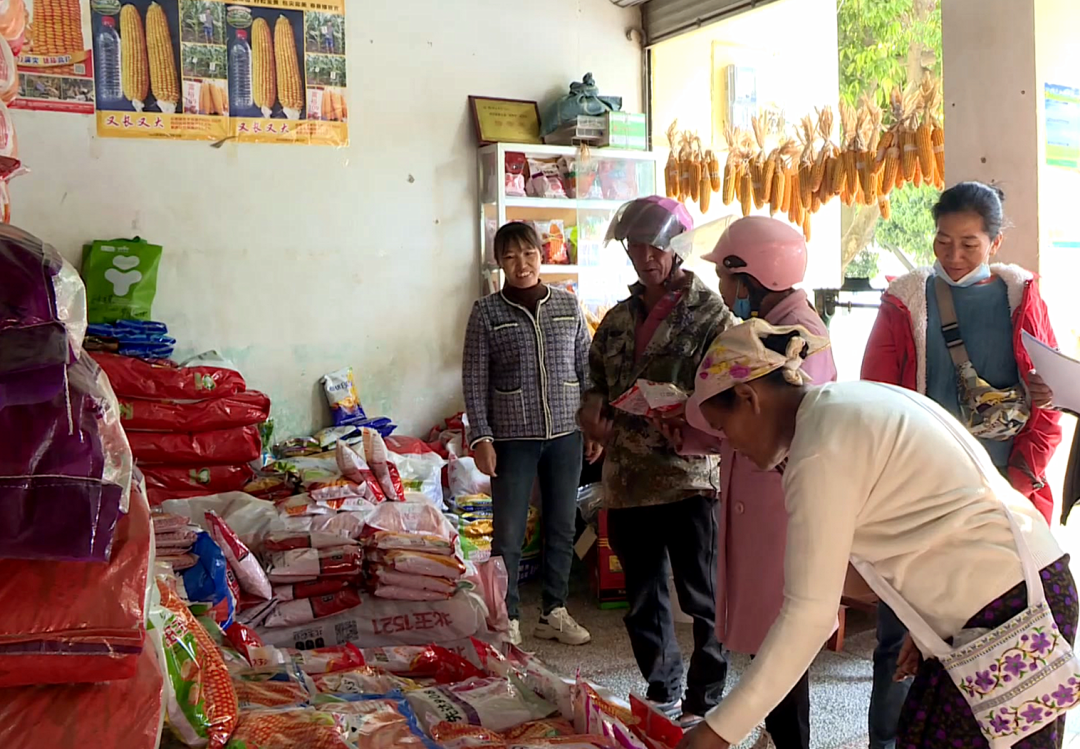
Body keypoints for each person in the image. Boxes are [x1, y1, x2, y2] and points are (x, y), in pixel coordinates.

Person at [675, 319, 1076, 749]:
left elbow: (809, 616)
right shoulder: (844, 405)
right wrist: (924, 627)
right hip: (1018, 589)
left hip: (1008, 609)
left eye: (723, 429)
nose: (730, 445)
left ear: (748, 398)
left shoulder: (819, 446)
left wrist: (719, 730)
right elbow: (927, 522)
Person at [860, 181, 1062, 749]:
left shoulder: (1022, 301)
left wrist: (1017, 484)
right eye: (943, 242)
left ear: (995, 243)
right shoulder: (905, 302)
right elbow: (875, 401)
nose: (952, 256)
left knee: (998, 633)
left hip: (1004, 501)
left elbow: (1045, 409)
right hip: (919, 499)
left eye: (968, 245)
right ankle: (888, 741)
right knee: (901, 633)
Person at [675, 216, 836, 749]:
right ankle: (777, 732)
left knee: (783, 642)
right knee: (769, 640)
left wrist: (695, 417)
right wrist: (694, 426)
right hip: (758, 505)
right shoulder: (768, 327)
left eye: (727, 278)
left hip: (779, 511)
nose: (723, 291)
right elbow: (735, 418)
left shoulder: (797, 338)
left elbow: (767, 419)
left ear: (754, 276)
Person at [579, 196, 737, 725]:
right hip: (627, 480)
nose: (646, 256)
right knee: (642, 597)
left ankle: (706, 691)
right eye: (636, 246)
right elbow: (596, 384)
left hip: (689, 478)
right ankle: (662, 683)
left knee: (701, 595)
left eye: (655, 246)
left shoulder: (712, 313)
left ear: (676, 248)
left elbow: (730, 391)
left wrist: (684, 407)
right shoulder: (618, 320)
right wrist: (593, 416)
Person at [462, 221, 599, 647]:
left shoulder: (567, 305)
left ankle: (554, 611)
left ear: (542, 255)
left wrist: (593, 424)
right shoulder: (487, 312)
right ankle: (509, 615)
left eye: (528, 254)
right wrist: (481, 438)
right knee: (509, 531)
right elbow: (474, 379)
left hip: (566, 433)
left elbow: (586, 366)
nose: (521, 264)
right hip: (512, 438)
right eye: (510, 257)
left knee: (561, 524)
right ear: (499, 262)